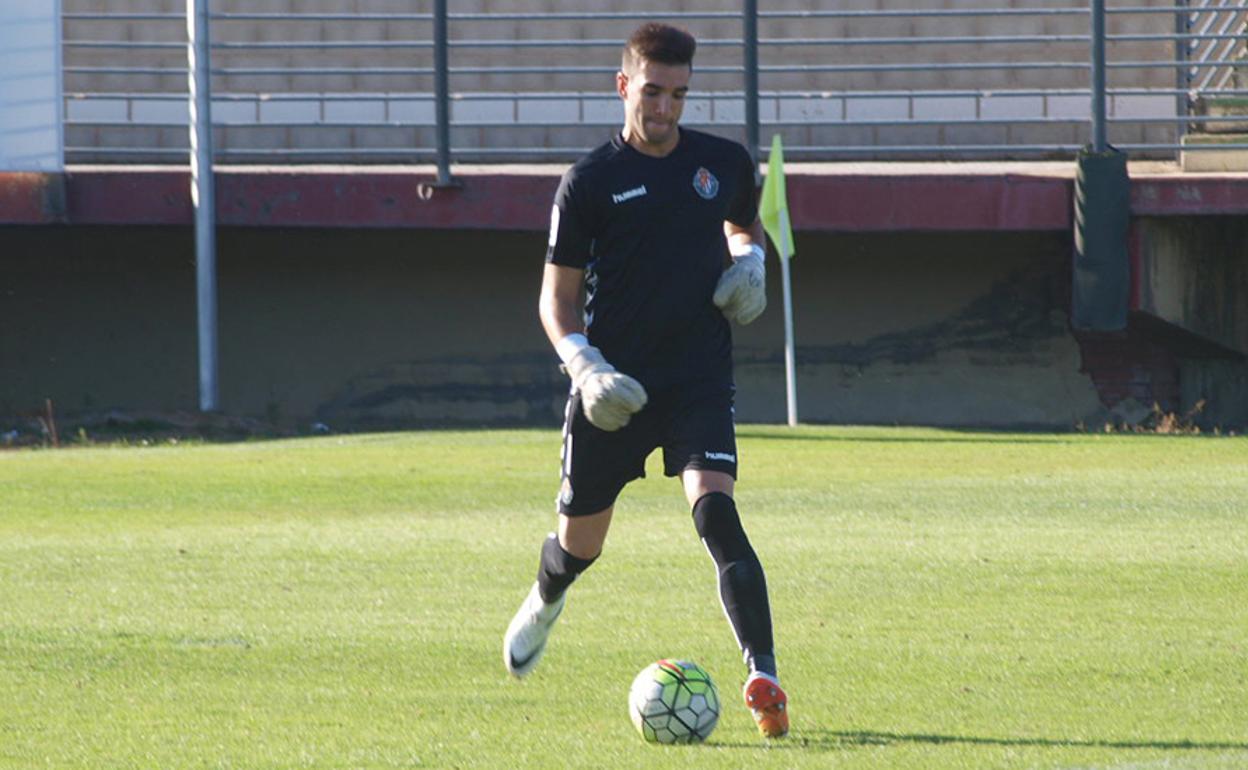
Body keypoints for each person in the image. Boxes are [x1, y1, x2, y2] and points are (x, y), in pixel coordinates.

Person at [502, 22, 788, 739]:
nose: (664, 110)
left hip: (697, 375)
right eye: (652, 92)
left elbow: (744, 227)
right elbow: (556, 301)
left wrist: (750, 263)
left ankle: (764, 674)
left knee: (716, 511)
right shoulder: (589, 183)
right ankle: (547, 591)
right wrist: (585, 367)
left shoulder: (723, 162)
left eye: (679, 95)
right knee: (580, 548)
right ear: (624, 85)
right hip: (614, 390)